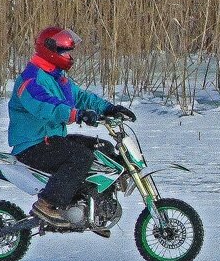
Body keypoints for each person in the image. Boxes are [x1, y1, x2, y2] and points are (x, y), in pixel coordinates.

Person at [8, 26, 136, 230]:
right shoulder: (30, 78)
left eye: (68, 52)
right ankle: (47, 203)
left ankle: (95, 206)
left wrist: (109, 108)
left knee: (101, 147)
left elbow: (81, 97)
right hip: (32, 145)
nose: (67, 56)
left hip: (52, 139)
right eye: (63, 51)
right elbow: (44, 105)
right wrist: (76, 114)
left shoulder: (58, 77)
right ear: (49, 50)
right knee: (80, 157)